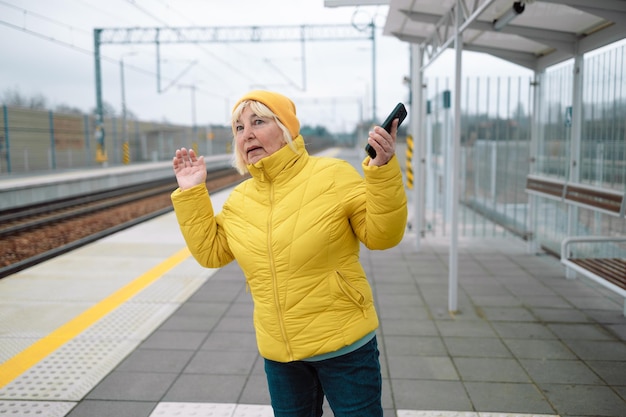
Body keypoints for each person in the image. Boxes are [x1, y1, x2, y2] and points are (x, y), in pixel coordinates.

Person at [171, 90, 407, 417]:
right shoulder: (239, 201)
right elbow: (211, 253)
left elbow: (383, 236)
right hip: (282, 357)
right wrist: (191, 192)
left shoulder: (334, 175)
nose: (247, 133)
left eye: (258, 121)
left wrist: (381, 171)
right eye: (239, 128)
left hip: (345, 348)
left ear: (286, 129)